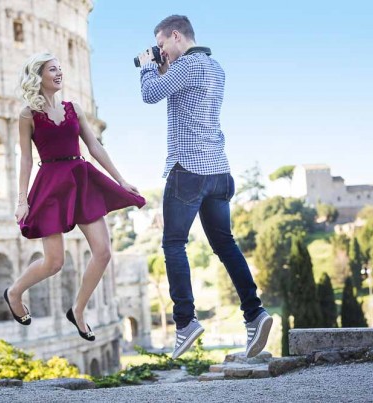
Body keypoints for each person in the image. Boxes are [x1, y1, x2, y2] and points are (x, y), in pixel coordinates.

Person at [137, 15, 272, 359]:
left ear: (176, 36)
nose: (161, 50)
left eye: (163, 44)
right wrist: (165, 65)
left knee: (173, 244)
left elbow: (150, 94)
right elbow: (180, 93)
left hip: (189, 170)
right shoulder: (215, 67)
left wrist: (147, 66)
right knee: (225, 245)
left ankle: (185, 321)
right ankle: (255, 313)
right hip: (219, 171)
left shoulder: (190, 66)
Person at [4, 52, 146, 342]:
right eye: (52, 70)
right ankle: (15, 292)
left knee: (103, 252)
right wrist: (22, 200)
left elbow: (94, 146)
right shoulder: (28, 114)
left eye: (60, 69)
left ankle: (78, 311)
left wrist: (121, 180)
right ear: (38, 76)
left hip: (81, 179)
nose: (59, 74)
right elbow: (26, 160)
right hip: (51, 184)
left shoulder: (74, 108)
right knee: (54, 262)